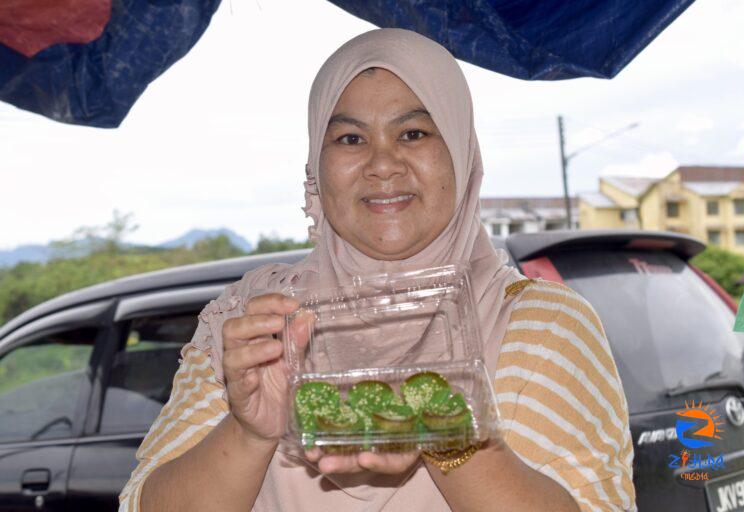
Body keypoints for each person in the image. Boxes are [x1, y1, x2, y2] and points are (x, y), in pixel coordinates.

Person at [118, 28, 636, 512]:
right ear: (315, 169)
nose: (382, 164)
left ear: (460, 151)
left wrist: (450, 438)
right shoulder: (253, 325)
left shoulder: (542, 326)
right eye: (349, 139)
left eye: (412, 133)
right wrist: (250, 432)